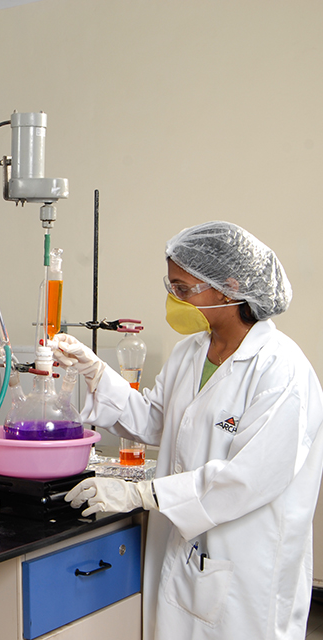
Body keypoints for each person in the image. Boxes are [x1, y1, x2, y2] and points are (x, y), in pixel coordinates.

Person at [52, 221, 323, 640]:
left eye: (183, 289)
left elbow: (248, 479)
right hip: (183, 548)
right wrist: (96, 372)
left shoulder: (281, 370)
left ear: (229, 289)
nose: (174, 300)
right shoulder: (190, 352)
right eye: (171, 286)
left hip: (245, 564)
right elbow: (154, 419)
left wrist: (142, 493)